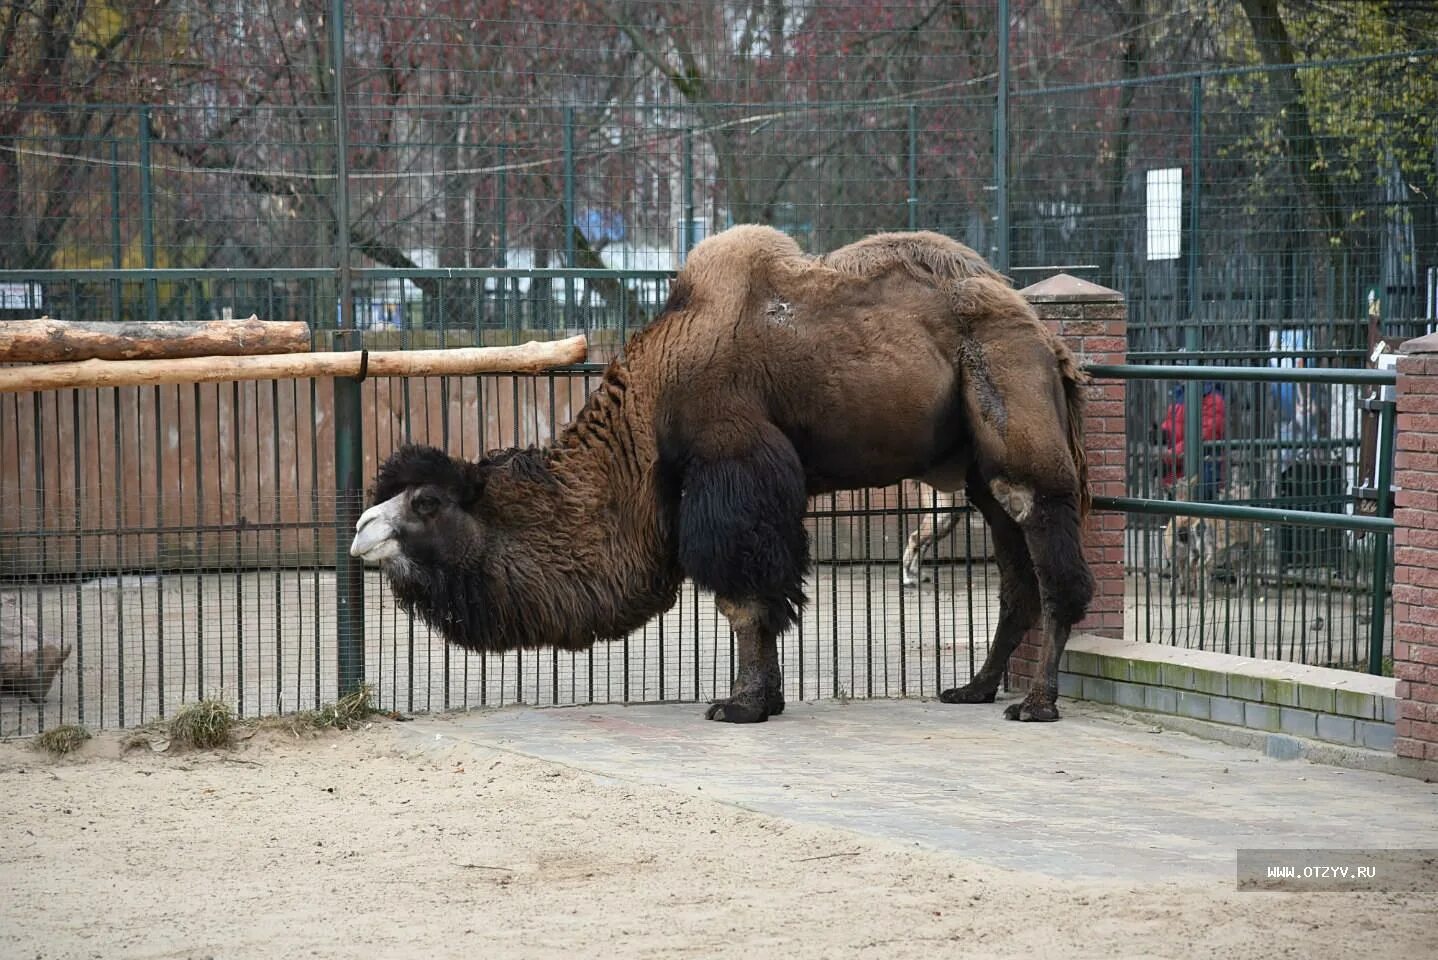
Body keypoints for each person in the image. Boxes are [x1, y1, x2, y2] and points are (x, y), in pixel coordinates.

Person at [1158, 382, 1226, 498]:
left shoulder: (1213, 399)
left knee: (1200, 510)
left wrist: (1169, 457)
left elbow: (1204, 436)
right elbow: (1172, 424)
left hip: (1204, 471)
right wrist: (1161, 434)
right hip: (1178, 471)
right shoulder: (1180, 393)